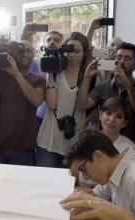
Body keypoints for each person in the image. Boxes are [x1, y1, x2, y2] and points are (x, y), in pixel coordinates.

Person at [0, 40, 45, 166]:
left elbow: (37, 101)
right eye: (20, 51)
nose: (24, 54)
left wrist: (16, 74)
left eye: (28, 51)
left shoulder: (38, 80)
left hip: (23, 147)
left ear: (34, 55)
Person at [77, 42, 135, 154]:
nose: (121, 62)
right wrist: (87, 78)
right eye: (119, 57)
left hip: (132, 147)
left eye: (127, 59)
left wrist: (127, 84)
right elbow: (82, 105)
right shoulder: (103, 87)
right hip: (104, 146)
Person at [36, 32, 89, 168]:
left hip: (74, 142)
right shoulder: (55, 73)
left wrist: (87, 120)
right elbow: (52, 104)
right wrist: (50, 74)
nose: (71, 55)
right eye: (68, 51)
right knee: (44, 186)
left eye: (77, 51)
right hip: (48, 139)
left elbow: (97, 105)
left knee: (69, 187)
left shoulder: (90, 76)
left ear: (84, 54)